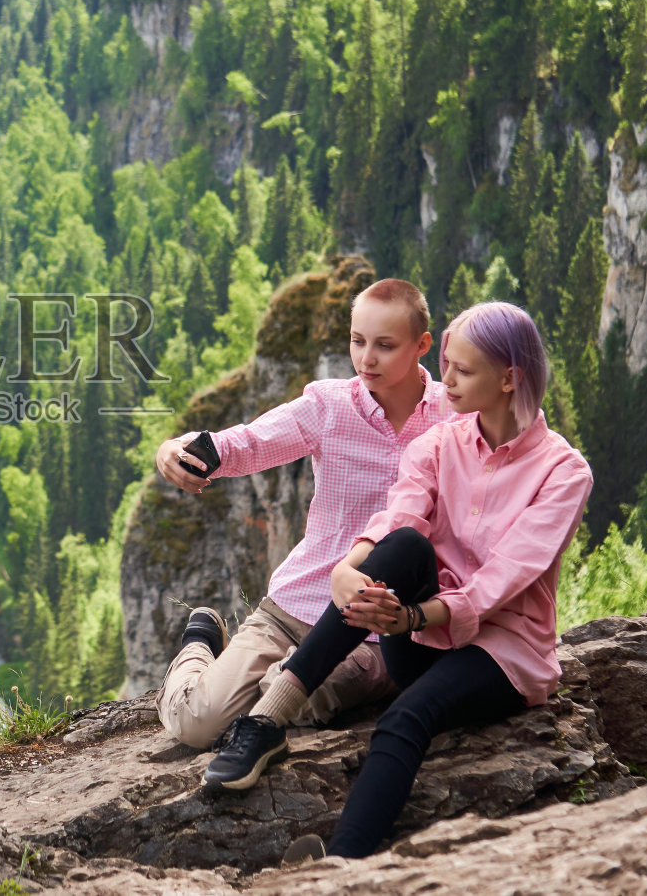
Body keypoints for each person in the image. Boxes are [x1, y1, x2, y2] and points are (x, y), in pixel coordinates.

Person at [207, 301, 593, 862]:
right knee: (408, 544)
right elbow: (400, 519)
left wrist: (412, 617)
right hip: (421, 638)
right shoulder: (439, 443)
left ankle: (340, 866)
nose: (446, 380)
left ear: (510, 378)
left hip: (500, 652)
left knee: (406, 718)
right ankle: (268, 719)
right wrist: (350, 567)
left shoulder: (563, 471)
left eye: (463, 370)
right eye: (446, 364)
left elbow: (503, 579)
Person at [153, 278, 452, 760]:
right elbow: (250, 442)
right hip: (297, 603)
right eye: (357, 341)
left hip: (377, 626)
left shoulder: (454, 416)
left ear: (422, 345)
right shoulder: (329, 405)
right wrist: (177, 449)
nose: (366, 359)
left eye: (385, 345)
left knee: (291, 697)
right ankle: (200, 643)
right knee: (196, 724)